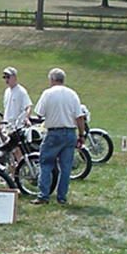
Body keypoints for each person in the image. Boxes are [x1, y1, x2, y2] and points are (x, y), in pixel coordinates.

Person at [32, 68, 85, 205]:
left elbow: (39, 113)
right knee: (66, 167)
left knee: (46, 163)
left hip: (54, 132)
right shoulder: (72, 94)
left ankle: (43, 195)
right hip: (70, 132)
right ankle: (62, 197)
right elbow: (79, 117)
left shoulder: (48, 93)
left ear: (52, 79)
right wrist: (81, 135)